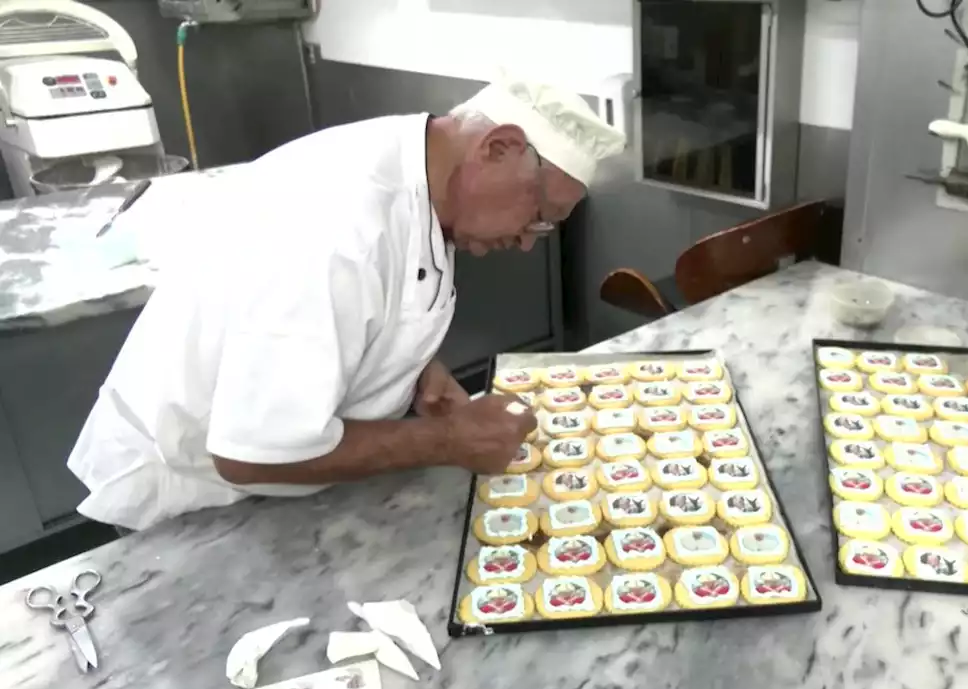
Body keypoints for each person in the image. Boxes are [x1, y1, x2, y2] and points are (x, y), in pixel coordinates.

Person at [67, 76, 627, 531]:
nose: (528, 240)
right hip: (191, 493)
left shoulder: (424, 172)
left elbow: (365, 298)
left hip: (274, 481)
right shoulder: (334, 227)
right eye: (537, 214)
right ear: (497, 147)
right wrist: (447, 440)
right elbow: (251, 453)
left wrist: (409, 369)